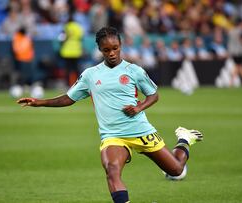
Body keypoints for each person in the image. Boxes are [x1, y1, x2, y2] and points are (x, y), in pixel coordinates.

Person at [17, 27, 203, 203]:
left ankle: (185, 139)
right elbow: (69, 98)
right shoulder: (90, 74)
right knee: (112, 170)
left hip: (140, 131)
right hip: (112, 135)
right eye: (106, 50)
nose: (112, 53)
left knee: (176, 170)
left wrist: (139, 108)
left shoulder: (134, 71)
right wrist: (40, 102)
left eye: (115, 48)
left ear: (120, 46)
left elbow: (154, 95)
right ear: (99, 49)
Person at [227, 19, 242, 86]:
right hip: (239, 52)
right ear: (241, 24)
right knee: (238, 66)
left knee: (240, 66)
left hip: (233, 51)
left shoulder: (231, 31)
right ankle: (232, 82)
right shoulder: (240, 31)